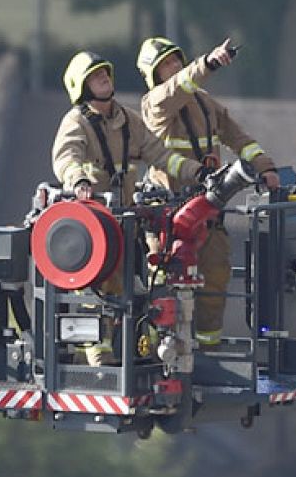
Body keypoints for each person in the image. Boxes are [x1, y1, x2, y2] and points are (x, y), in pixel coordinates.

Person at [51, 51, 202, 364]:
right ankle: (98, 353)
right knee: (98, 288)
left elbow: (161, 155)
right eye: (95, 76)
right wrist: (79, 181)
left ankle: (140, 345)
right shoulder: (76, 123)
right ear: (81, 86)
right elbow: (66, 158)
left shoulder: (128, 120)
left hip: (128, 221)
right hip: (95, 226)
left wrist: (195, 171)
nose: (104, 79)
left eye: (104, 73)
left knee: (140, 282)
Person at [136, 36, 280, 347]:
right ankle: (156, 353)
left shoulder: (204, 103)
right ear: (154, 76)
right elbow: (177, 87)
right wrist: (210, 62)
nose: (174, 67)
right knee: (164, 293)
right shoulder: (155, 104)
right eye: (166, 65)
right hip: (170, 220)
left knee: (215, 279)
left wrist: (265, 166)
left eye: (176, 60)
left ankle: (207, 350)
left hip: (208, 214)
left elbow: (238, 137)